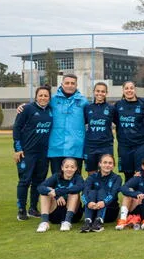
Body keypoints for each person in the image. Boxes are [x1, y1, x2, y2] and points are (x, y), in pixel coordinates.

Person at [13, 85, 52, 220]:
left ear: (49, 97)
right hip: (27, 152)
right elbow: (17, 128)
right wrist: (17, 149)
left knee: (39, 181)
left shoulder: (51, 110)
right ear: (36, 96)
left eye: (46, 95)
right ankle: (21, 209)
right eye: (40, 95)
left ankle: (33, 208)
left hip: (44, 153)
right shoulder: (27, 109)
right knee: (25, 180)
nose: (43, 98)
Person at [46, 74, 88, 173]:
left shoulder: (83, 101)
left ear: (76, 85)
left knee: (74, 181)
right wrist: (24, 106)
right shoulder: (52, 100)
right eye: (67, 83)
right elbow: (39, 105)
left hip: (76, 149)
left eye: (72, 83)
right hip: (56, 148)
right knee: (56, 180)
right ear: (62, 84)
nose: (70, 85)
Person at [114, 81, 144, 182]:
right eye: (126, 88)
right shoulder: (118, 105)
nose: (129, 90)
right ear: (123, 90)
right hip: (124, 145)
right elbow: (115, 121)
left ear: (135, 90)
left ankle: (142, 196)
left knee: (141, 173)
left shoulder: (143, 104)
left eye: (131, 88)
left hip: (141, 145)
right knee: (128, 174)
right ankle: (130, 196)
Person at [36, 158, 84, 232]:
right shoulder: (56, 176)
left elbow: (79, 187)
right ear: (62, 168)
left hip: (73, 214)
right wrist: (56, 195)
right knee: (46, 192)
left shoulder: (78, 178)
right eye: (66, 167)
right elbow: (40, 187)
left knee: (74, 193)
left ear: (76, 168)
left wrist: (59, 191)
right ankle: (44, 222)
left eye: (72, 167)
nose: (69, 169)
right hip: (55, 212)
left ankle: (67, 222)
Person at [80, 154, 122, 233]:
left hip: (109, 211)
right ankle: (88, 221)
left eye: (110, 163)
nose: (107, 165)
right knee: (92, 192)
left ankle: (99, 221)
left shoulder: (117, 178)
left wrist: (104, 202)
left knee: (101, 191)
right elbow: (84, 193)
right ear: (100, 164)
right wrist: (88, 203)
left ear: (113, 165)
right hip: (93, 208)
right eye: (105, 162)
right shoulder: (92, 177)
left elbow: (113, 194)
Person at [83, 82, 114, 174]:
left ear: (106, 93)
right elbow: (83, 123)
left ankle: (105, 189)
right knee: (91, 173)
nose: (100, 93)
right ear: (94, 92)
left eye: (103, 91)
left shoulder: (111, 108)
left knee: (106, 172)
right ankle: (92, 189)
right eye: (97, 91)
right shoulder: (87, 108)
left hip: (106, 145)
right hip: (90, 145)